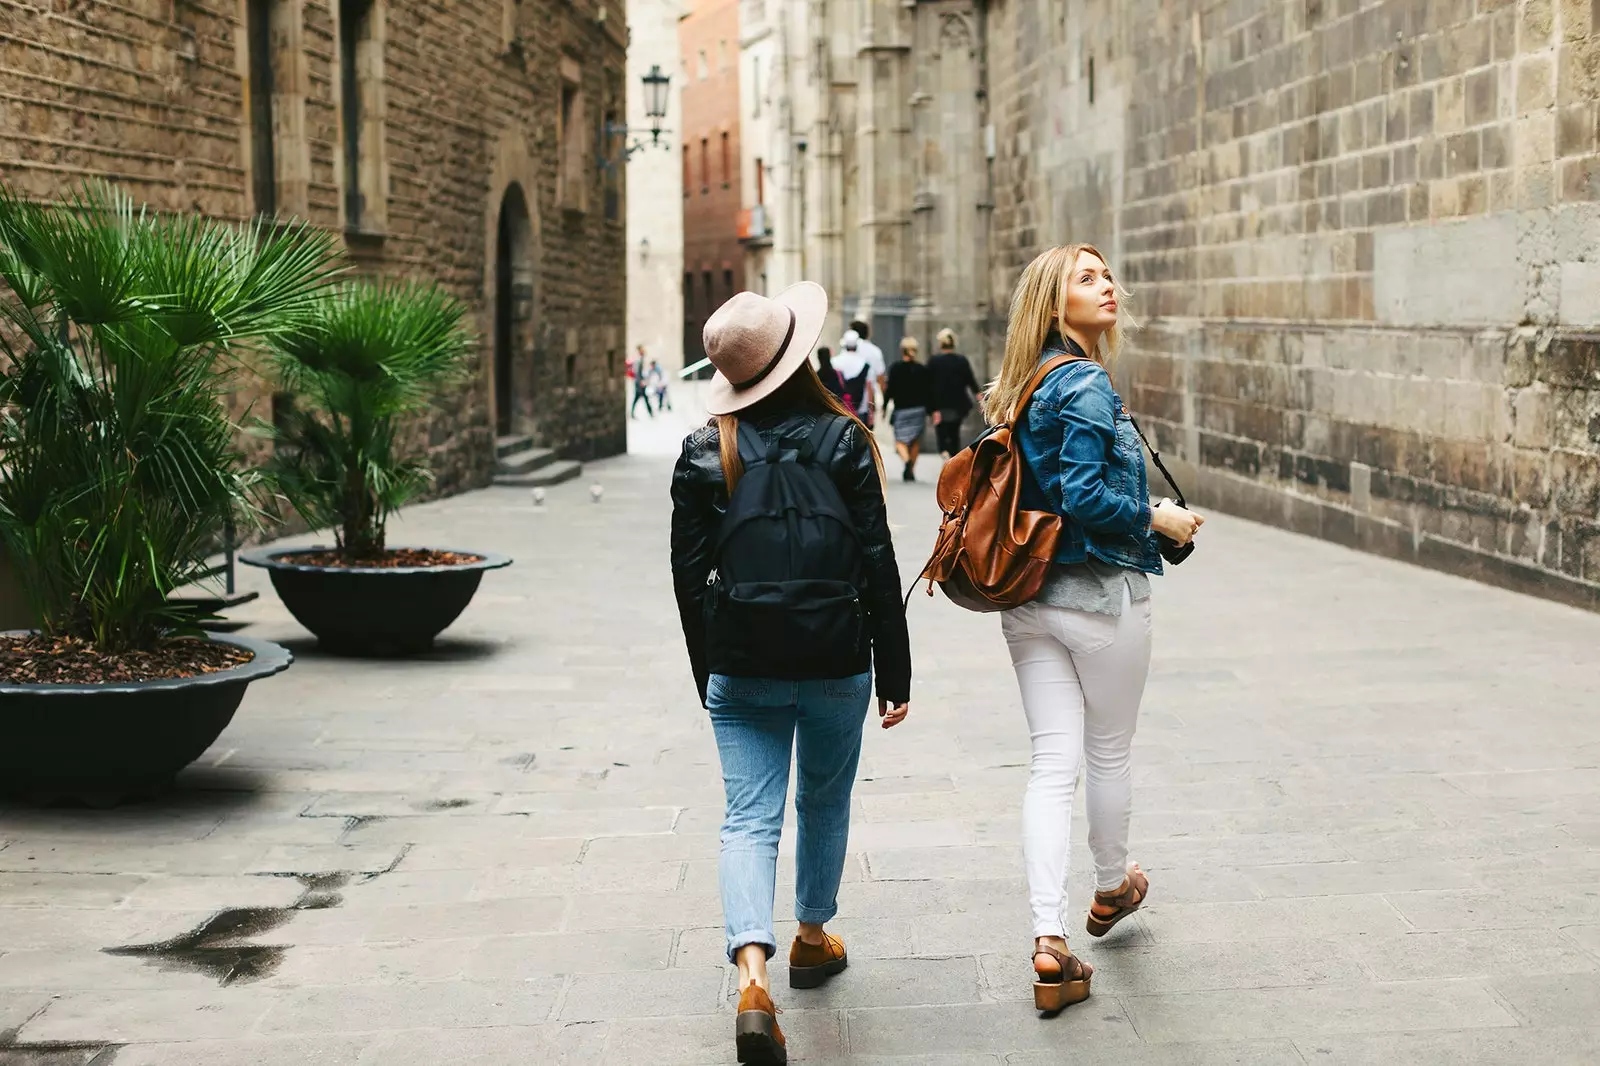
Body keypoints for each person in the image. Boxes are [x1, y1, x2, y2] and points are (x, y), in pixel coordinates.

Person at [670, 284, 912, 1066]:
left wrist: (712, 670)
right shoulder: (844, 440)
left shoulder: (706, 449)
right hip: (837, 655)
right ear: (800, 356)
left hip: (741, 661)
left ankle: (750, 980)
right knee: (823, 798)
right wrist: (894, 671)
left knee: (748, 818)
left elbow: (687, 576)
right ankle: (810, 936)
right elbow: (877, 560)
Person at [984, 244, 1203, 1015]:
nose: (1108, 285)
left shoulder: (1025, 382)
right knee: (1106, 751)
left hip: (1026, 598)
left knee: (1051, 764)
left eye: (1109, 273)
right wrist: (1159, 515)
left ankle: (1049, 941)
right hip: (1099, 595)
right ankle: (1112, 886)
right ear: (1051, 306)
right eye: (1087, 278)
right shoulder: (1080, 382)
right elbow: (1083, 495)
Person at [883, 335, 932, 481]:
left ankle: (906, 461)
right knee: (915, 440)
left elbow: (889, 389)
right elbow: (928, 390)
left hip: (901, 409)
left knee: (900, 440)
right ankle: (911, 469)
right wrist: (930, 408)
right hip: (918, 409)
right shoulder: (922, 369)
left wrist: (885, 406)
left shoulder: (895, 368)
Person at [928, 328, 982, 457]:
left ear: (940, 344)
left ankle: (944, 452)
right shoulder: (961, 360)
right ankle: (953, 458)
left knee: (941, 432)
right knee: (954, 433)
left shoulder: (934, 361)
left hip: (940, 405)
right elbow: (971, 380)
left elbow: (928, 385)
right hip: (958, 404)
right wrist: (980, 397)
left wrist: (931, 408)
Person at [830, 330, 875, 424]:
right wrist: (871, 412)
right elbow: (869, 388)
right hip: (860, 410)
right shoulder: (865, 364)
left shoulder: (834, 362)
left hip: (839, 409)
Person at [630, 345, 654, 419]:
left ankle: (649, 412)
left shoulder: (641, 359)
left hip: (641, 382)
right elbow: (638, 372)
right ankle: (650, 412)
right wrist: (641, 381)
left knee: (641, 398)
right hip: (639, 383)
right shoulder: (638, 360)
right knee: (640, 398)